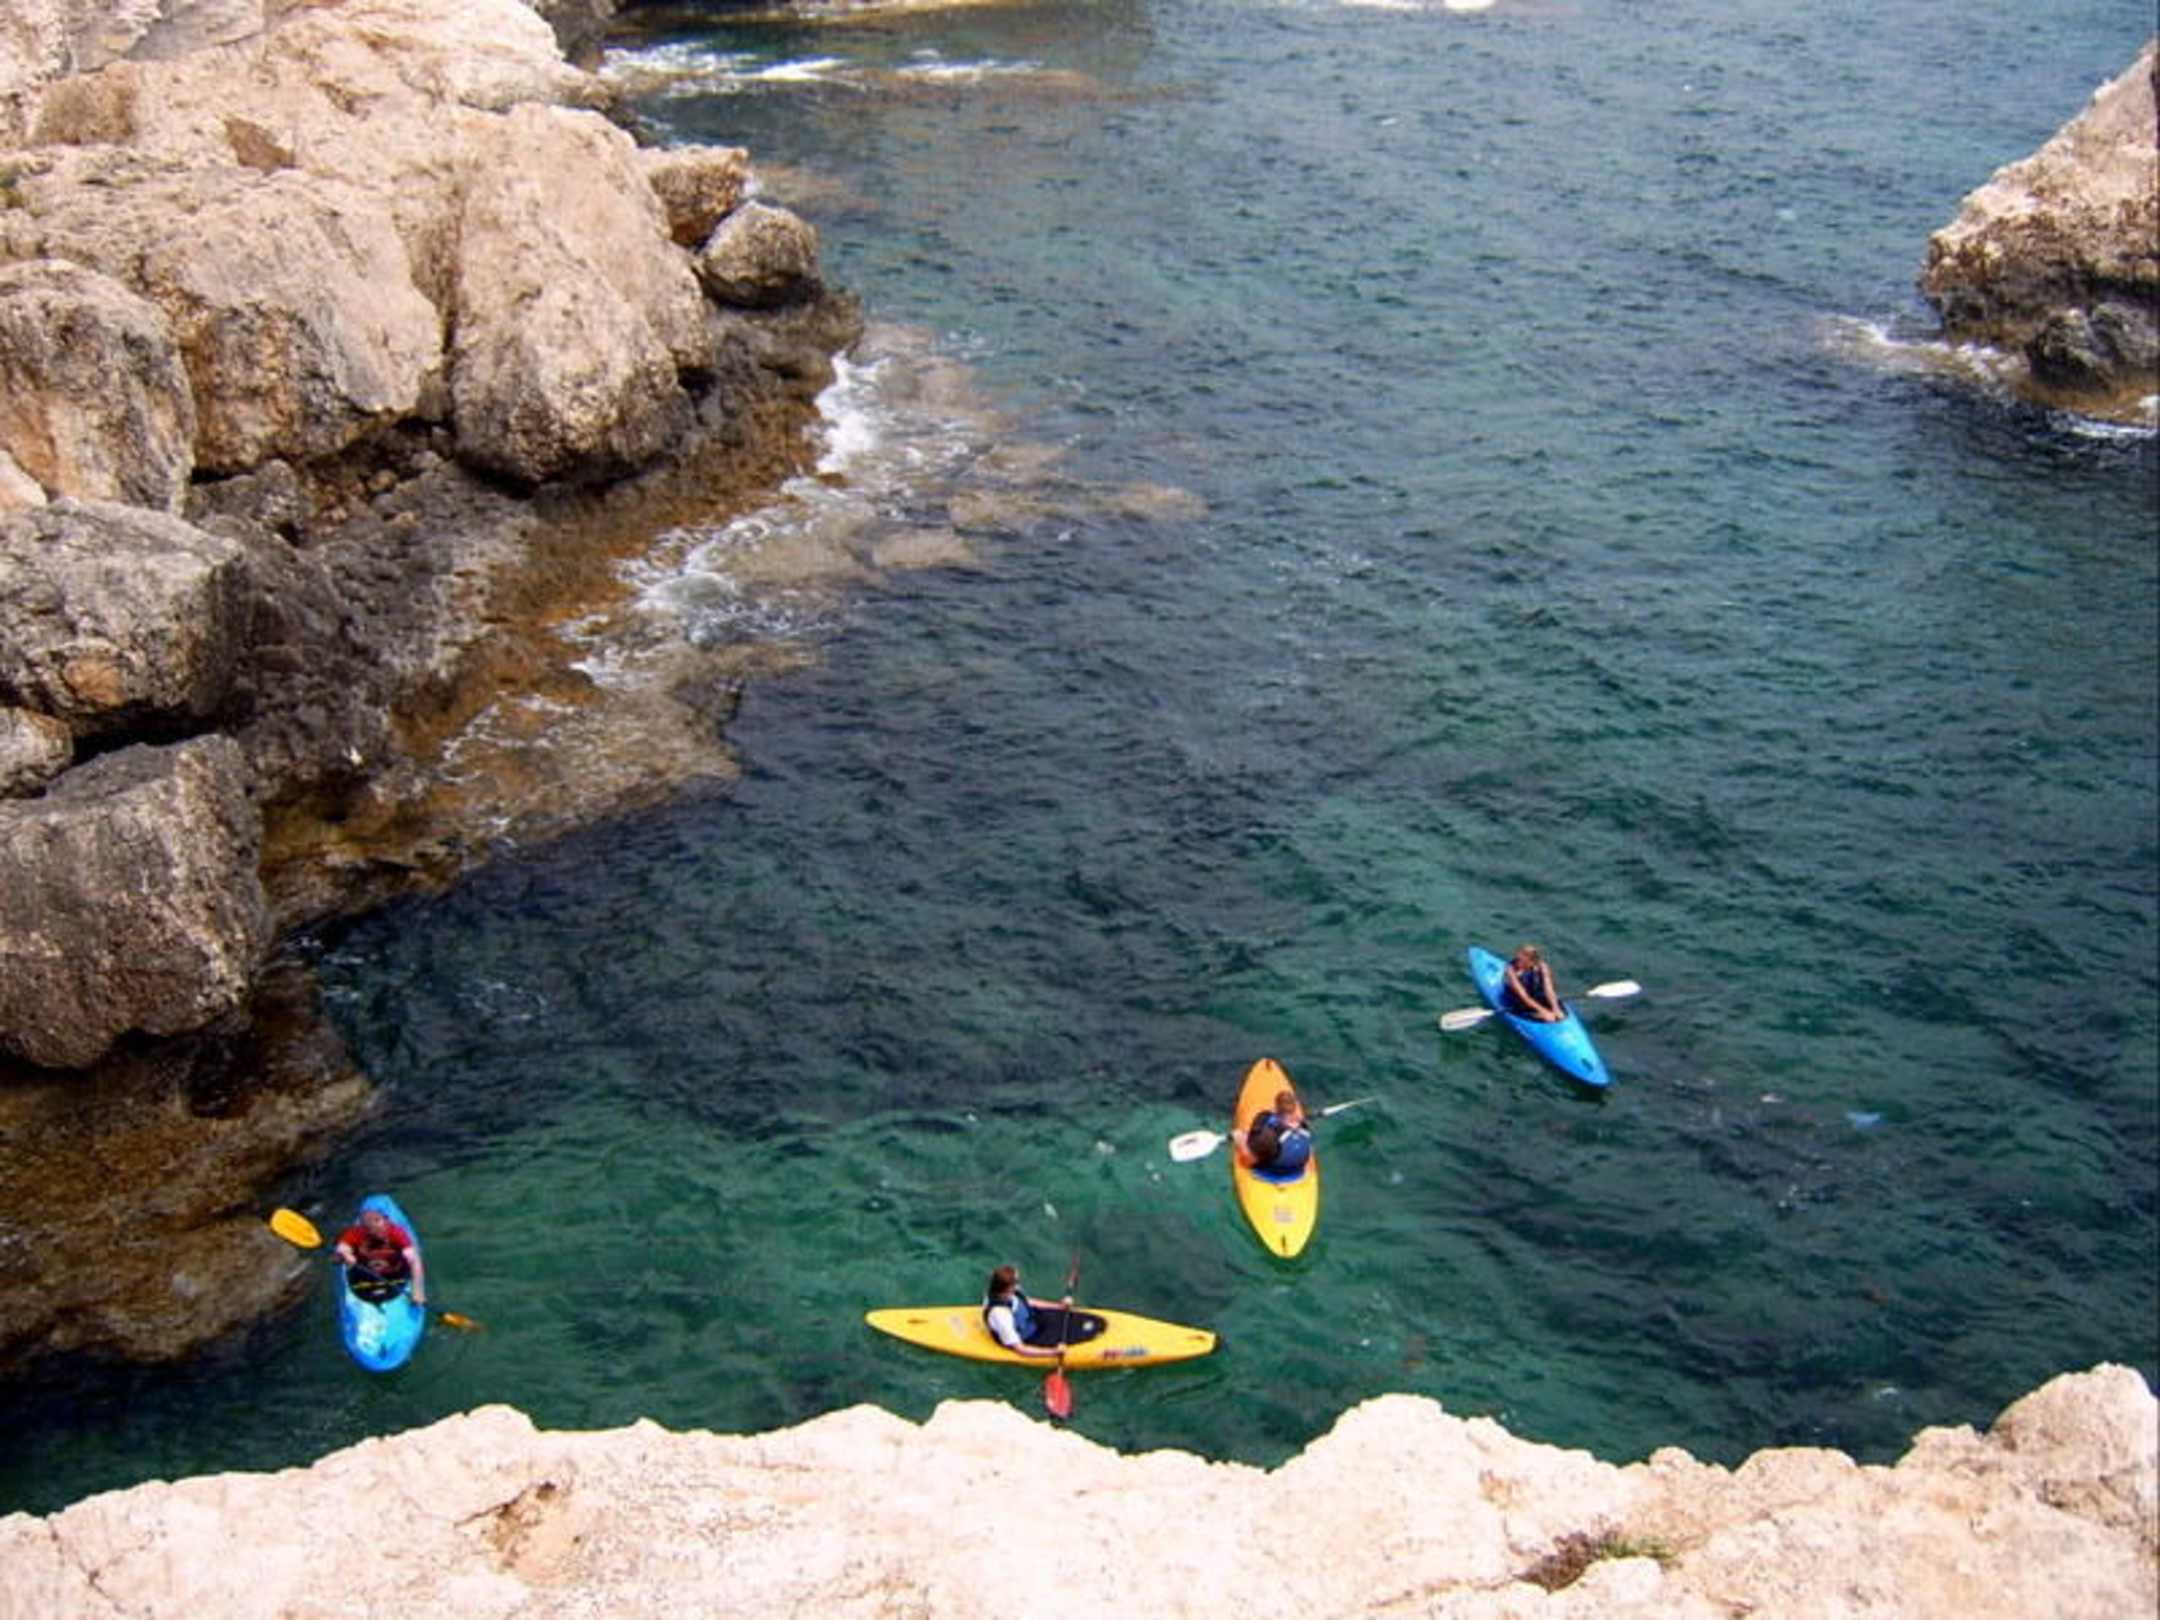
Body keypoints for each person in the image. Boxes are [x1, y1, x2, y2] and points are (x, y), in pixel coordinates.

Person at [982, 1264, 1094, 1358]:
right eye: (1016, 1281)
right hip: (1028, 1338)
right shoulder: (1001, 1315)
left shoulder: (1006, 1292)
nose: (1018, 1284)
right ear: (1007, 1288)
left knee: (1072, 1319)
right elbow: (1020, 1349)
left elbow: (1027, 1302)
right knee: (1075, 1335)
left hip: (1032, 1319)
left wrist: (1059, 1306)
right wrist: (1053, 1352)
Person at [334, 1207, 426, 1308]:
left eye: (377, 1221)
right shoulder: (354, 1233)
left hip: (394, 1279)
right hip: (363, 1281)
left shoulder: (397, 1233)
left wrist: (418, 1291)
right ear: (363, 1226)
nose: (374, 1227)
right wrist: (345, 1255)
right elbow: (338, 1254)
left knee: (413, 1258)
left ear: (386, 1221)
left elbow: (414, 1260)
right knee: (348, 1261)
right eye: (368, 1225)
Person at [1235, 1089, 1312, 1175]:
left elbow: (1249, 1160)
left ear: (1276, 1108)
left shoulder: (1271, 1135)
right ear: (1295, 1108)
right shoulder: (1305, 1127)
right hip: (1298, 1172)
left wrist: (1240, 1142)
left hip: (1272, 1174)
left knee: (1245, 1141)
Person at [1503, 943, 1565, 1023]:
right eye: (1519, 958)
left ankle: (1550, 1011)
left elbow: (1549, 989)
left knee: (1557, 1009)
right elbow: (1524, 996)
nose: (1518, 962)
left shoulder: (1542, 967)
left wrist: (1556, 1008)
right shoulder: (1510, 969)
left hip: (1533, 993)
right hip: (1517, 998)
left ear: (1531, 961)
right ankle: (1535, 1015)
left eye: (1522, 960)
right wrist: (1543, 1011)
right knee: (1542, 1014)